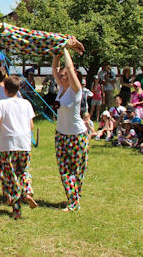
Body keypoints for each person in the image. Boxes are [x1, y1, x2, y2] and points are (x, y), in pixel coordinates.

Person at [0, 76, 38, 219]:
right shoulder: (26, 104)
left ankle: (17, 210)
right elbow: (31, 125)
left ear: (5, 89)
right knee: (23, 171)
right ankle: (27, 191)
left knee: (10, 175)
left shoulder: (1, 104)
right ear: (19, 89)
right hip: (24, 142)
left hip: (8, 144)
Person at [52, 49, 88, 212]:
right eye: (60, 75)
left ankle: (74, 199)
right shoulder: (61, 89)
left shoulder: (75, 91)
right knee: (64, 170)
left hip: (76, 136)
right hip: (61, 135)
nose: (60, 76)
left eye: (64, 75)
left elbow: (70, 68)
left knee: (77, 170)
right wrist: (56, 55)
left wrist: (66, 48)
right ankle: (73, 200)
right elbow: (54, 69)